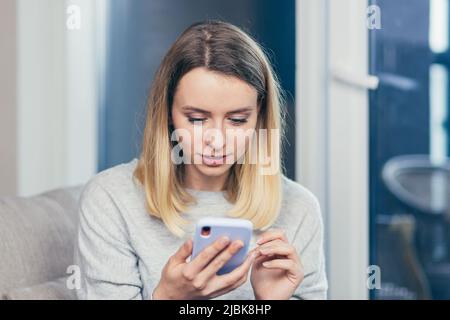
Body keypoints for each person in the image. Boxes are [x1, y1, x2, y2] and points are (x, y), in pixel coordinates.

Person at [75, 20, 327, 300]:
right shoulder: (110, 200)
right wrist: (169, 297)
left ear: (259, 118)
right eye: (196, 119)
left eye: (237, 120)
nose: (217, 140)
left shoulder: (300, 208)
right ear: (168, 113)